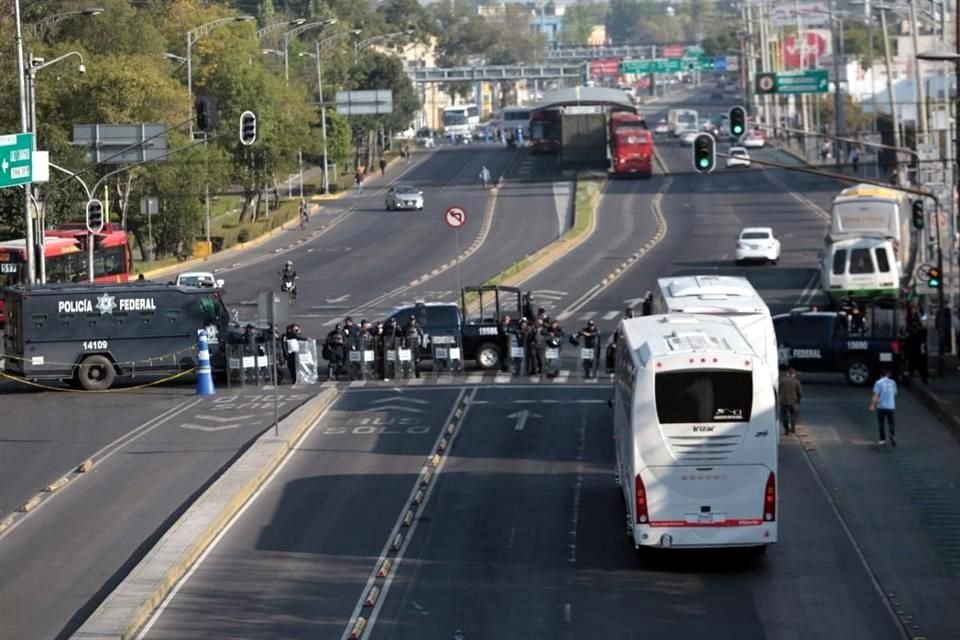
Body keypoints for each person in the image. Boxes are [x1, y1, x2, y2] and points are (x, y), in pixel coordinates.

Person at [869, 368, 898, 446]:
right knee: (891, 423)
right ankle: (892, 434)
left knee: (881, 423)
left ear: (880, 375)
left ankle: (882, 440)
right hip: (891, 406)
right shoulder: (893, 382)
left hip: (881, 406)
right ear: (888, 374)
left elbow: (875, 395)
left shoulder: (878, 382)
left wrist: (872, 405)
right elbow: (895, 394)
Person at [779, 367, 802, 434]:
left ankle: (786, 430)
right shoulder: (796, 381)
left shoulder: (782, 381)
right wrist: (798, 401)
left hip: (783, 402)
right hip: (793, 402)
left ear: (787, 373)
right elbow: (800, 393)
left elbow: (779, 390)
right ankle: (793, 428)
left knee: (784, 416)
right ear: (793, 374)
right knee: (793, 415)